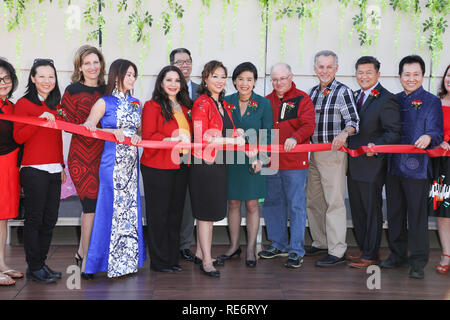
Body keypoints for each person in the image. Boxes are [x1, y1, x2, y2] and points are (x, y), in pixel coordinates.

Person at [381, 55, 443, 279]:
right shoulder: (393, 100)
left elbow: (437, 131)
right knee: (395, 213)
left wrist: (428, 136)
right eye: (406, 74)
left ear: (422, 76)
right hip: (393, 165)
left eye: (416, 74)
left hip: (417, 168)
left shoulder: (431, 101)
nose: (411, 78)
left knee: (416, 215)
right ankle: (397, 254)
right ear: (399, 77)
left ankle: (418, 261)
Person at [83, 59, 146, 278]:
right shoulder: (104, 102)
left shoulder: (137, 102)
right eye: (128, 74)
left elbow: (139, 132)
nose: (131, 78)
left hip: (131, 163)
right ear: (116, 76)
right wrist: (111, 132)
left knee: (129, 209)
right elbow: (89, 127)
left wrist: (137, 135)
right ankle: (95, 265)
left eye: (133, 75)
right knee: (109, 210)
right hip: (112, 163)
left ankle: (127, 263)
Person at [190, 60, 245, 277]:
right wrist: (233, 141)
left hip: (219, 163)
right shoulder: (202, 103)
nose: (220, 80)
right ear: (205, 79)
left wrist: (237, 132)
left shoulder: (222, 103)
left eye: (223, 76)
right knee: (205, 214)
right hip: (204, 164)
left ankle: (199, 252)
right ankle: (206, 260)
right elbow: (203, 137)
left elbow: (224, 131)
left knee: (211, 212)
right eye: (215, 76)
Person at [258, 63, 315, 269]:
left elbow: (308, 125)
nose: (278, 83)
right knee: (272, 202)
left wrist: (296, 137)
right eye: (274, 79)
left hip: (294, 162)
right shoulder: (266, 101)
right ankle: (278, 243)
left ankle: (296, 250)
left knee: (296, 205)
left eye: (282, 78)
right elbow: (261, 127)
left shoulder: (302, 98)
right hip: (271, 161)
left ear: (291, 77)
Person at [346, 56, 401, 268]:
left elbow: (393, 132)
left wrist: (375, 147)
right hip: (353, 163)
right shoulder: (354, 95)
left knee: (371, 210)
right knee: (358, 209)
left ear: (378, 74)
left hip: (372, 164)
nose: (364, 76)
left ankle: (371, 255)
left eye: (368, 72)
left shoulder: (387, 99)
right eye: (360, 72)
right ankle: (364, 249)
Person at [13, 58, 66, 283]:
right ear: (33, 78)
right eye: (42, 76)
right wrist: (38, 121)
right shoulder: (23, 104)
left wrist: (62, 166)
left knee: (50, 218)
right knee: (34, 219)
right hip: (33, 169)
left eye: (51, 76)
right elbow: (18, 137)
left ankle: (41, 263)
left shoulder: (56, 104)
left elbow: (57, 140)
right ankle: (34, 267)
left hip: (54, 169)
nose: (47, 80)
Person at [306, 50, 359, 267]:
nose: (324, 71)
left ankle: (337, 250)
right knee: (314, 200)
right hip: (312, 152)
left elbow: (353, 121)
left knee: (334, 202)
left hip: (334, 153)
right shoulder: (311, 92)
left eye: (329, 67)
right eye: (321, 66)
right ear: (315, 68)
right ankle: (320, 241)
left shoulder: (343, 91)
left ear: (336, 68)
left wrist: (344, 134)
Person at [220, 62, 273, 267]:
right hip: (231, 159)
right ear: (234, 81)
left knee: (252, 203)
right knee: (233, 203)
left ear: (255, 82)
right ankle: (234, 247)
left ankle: (251, 248)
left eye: (249, 79)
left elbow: (267, 133)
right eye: (240, 79)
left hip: (254, 159)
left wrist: (262, 158)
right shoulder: (226, 101)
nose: (244, 83)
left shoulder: (263, 103)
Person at [140, 66, 192, 273]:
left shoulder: (186, 107)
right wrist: (171, 139)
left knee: (175, 214)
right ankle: (159, 261)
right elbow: (148, 136)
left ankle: (172, 259)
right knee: (158, 214)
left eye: (177, 80)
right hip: (157, 166)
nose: (173, 84)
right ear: (161, 83)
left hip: (181, 165)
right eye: (168, 80)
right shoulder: (152, 106)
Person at [61, 45, 106, 279]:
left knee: (100, 207)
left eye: (95, 62)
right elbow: (63, 121)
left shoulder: (109, 90)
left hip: (105, 155)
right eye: (87, 63)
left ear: (101, 64)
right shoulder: (72, 90)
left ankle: (83, 252)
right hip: (80, 156)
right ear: (80, 66)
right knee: (90, 206)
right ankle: (87, 257)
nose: (92, 67)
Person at [170, 48, 198, 261]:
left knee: (189, 200)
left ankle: (183, 244)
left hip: (197, 155)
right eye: (179, 62)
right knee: (171, 199)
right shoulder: (166, 91)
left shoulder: (201, 91)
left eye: (187, 61)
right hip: (171, 154)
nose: (184, 65)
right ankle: (168, 241)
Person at [0, 59, 22, 286]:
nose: (3, 83)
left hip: (9, 165)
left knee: (3, 216)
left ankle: (2, 264)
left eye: (6, 78)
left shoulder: (12, 107)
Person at [429, 64, 450, 274]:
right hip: (441, 165)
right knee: (443, 211)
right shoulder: (435, 103)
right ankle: (446, 254)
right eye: (448, 75)